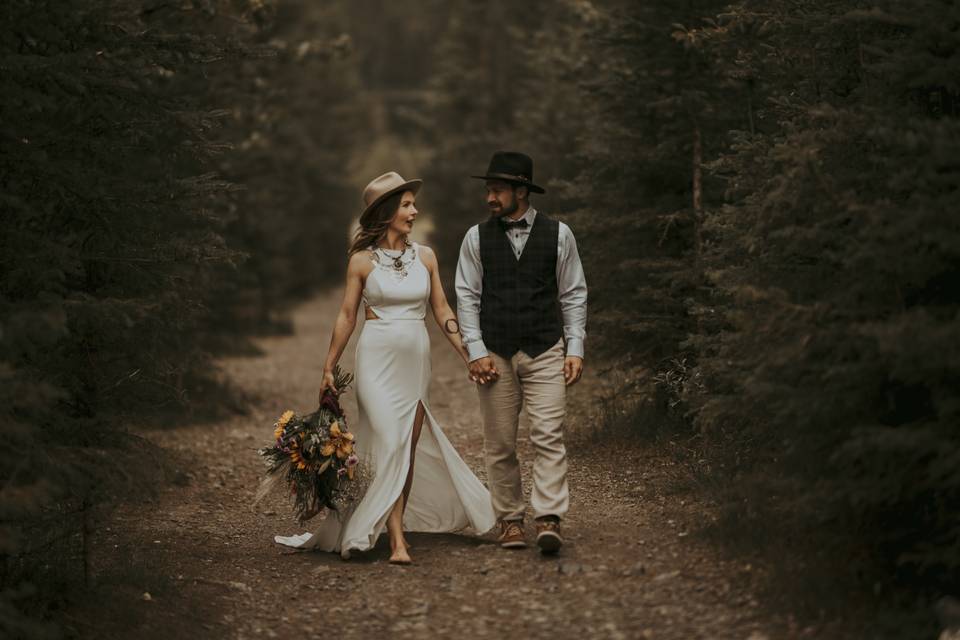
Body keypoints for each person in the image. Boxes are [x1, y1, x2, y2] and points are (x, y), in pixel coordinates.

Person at [274, 171, 496, 564]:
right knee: (389, 439)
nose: (415, 210)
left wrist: (470, 355)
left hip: (416, 362)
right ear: (387, 211)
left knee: (404, 448)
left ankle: (391, 529)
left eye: (413, 204)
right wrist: (329, 366)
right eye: (407, 204)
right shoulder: (361, 261)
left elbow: (442, 309)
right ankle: (396, 541)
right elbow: (346, 316)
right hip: (376, 360)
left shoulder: (425, 256)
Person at [455, 151, 587, 554]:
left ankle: (548, 517)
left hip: (545, 348)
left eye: (497, 191)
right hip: (495, 352)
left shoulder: (560, 234)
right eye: (488, 191)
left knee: (548, 434)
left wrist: (575, 347)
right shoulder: (476, 237)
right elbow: (466, 297)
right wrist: (475, 351)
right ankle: (510, 520)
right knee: (500, 443)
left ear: (521, 191)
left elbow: (573, 293)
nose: (490, 198)